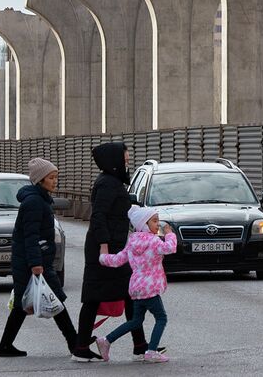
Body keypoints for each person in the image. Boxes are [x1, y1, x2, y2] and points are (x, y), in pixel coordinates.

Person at [0, 158, 86, 359]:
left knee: (29, 304)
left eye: (56, 177)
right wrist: (36, 264)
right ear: (40, 180)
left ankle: (5, 346)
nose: (55, 181)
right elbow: (31, 236)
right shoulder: (34, 202)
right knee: (53, 300)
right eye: (51, 178)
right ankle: (74, 342)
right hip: (31, 263)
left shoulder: (40, 199)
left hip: (34, 261)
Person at [75, 142, 148, 362]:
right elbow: (99, 215)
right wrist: (104, 246)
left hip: (115, 247)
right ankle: (80, 347)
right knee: (94, 297)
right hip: (105, 249)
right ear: (114, 161)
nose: (126, 163)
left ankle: (140, 345)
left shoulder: (113, 181)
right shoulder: (107, 183)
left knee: (128, 295)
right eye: (124, 159)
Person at [94, 206, 177, 363]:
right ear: (143, 224)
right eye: (154, 221)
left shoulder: (132, 242)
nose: (157, 224)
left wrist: (103, 256)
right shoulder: (153, 241)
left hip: (136, 289)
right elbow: (170, 248)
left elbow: (118, 260)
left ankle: (106, 340)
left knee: (135, 321)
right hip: (150, 288)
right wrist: (169, 233)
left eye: (157, 220)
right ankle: (152, 351)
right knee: (161, 318)